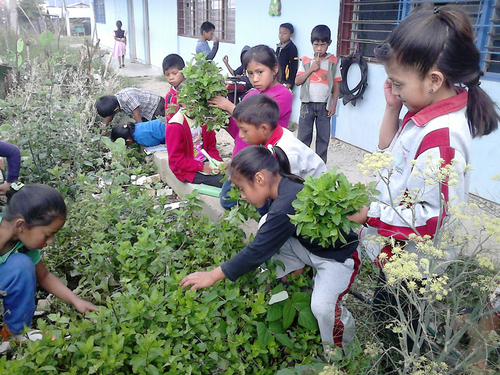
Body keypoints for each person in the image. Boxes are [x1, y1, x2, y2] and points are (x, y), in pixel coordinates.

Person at [347, 5, 499, 353]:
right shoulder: (422, 114)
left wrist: (371, 214)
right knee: (390, 314)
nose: (395, 90)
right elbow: (386, 150)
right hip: (401, 252)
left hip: (418, 265)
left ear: (433, 80)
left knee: (402, 335)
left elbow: (433, 219)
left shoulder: (441, 138)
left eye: (398, 83)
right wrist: (392, 107)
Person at [180, 145, 360, 352]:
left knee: (323, 308)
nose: (243, 196)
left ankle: (344, 356)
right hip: (309, 250)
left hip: (338, 258)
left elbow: (257, 250)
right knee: (266, 224)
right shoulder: (284, 187)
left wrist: (213, 275)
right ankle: (289, 280)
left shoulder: (286, 204)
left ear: (259, 179)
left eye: (242, 189)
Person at [0, 184, 99, 350]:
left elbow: (44, 276)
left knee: (22, 266)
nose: (51, 241)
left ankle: (13, 334)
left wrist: (76, 302)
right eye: (48, 235)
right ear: (21, 225)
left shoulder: (21, 244)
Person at [208, 44, 293, 207]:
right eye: (250, 73)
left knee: (258, 203)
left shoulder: (282, 95)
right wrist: (222, 117)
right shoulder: (252, 95)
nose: (254, 79)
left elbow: (256, 121)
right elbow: (239, 130)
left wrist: (229, 106)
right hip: (240, 159)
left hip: (260, 162)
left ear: (274, 68)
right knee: (227, 200)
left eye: (260, 72)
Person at [220, 95, 326, 210]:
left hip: (315, 197)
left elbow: (290, 194)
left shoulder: (288, 154)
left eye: (244, 130)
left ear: (264, 129)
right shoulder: (273, 136)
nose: (240, 135)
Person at [295, 25, 341, 163]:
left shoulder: (333, 62)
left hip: (324, 106)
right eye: (316, 45)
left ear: (329, 44)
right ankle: (302, 164)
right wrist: (312, 69)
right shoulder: (306, 60)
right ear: (312, 44)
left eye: (323, 44)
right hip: (307, 105)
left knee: (323, 138)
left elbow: (337, 85)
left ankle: (320, 166)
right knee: (303, 137)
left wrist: (334, 105)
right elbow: (297, 81)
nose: (319, 48)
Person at [165, 102, 224, 188]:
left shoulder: (204, 119)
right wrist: (202, 167)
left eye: (196, 101)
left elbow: (211, 146)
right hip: (187, 169)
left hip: (205, 161)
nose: (192, 105)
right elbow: (176, 159)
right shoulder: (175, 126)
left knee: (234, 175)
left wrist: (218, 162)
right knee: (224, 182)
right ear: (181, 103)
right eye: (187, 101)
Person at [96, 88, 165, 126]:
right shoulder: (113, 102)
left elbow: (137, 114)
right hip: (146, 111)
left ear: (116, 109)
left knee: (159, 125)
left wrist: (141, 130)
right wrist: (104, 129)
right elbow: (110, 116)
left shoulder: (128, 98)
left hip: (156, 105)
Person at [162, 53, 185, 122]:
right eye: (167, 75)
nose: (171, 78)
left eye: (174, 73)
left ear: (183, 71)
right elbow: (169, 119)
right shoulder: (169, 97)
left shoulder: (194, 91)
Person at [276, 23, 298, 90]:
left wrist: (290, 81)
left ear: (291, 35)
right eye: (280, 32)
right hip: (277, 78)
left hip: (285, 79)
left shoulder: (292, 48)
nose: (281, 35)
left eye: (284, 33)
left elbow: (293, 66)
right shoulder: (278, 47)